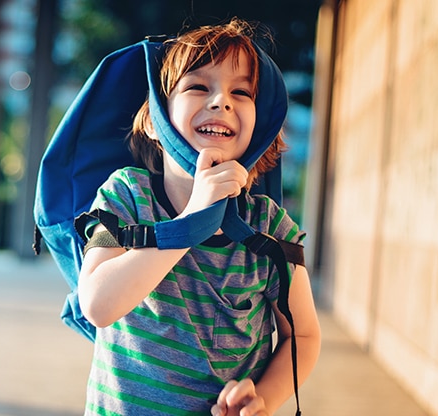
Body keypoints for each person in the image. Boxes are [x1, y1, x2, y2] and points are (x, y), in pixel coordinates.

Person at [76, 18, 321, 416]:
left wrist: (265, 397)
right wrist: (193, 218)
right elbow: (98, 305)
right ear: (155, 122)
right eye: (197, 87)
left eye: (241, 92)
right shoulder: (126, 194)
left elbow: (304, 335)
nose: (221, 101)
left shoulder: (271, 227)